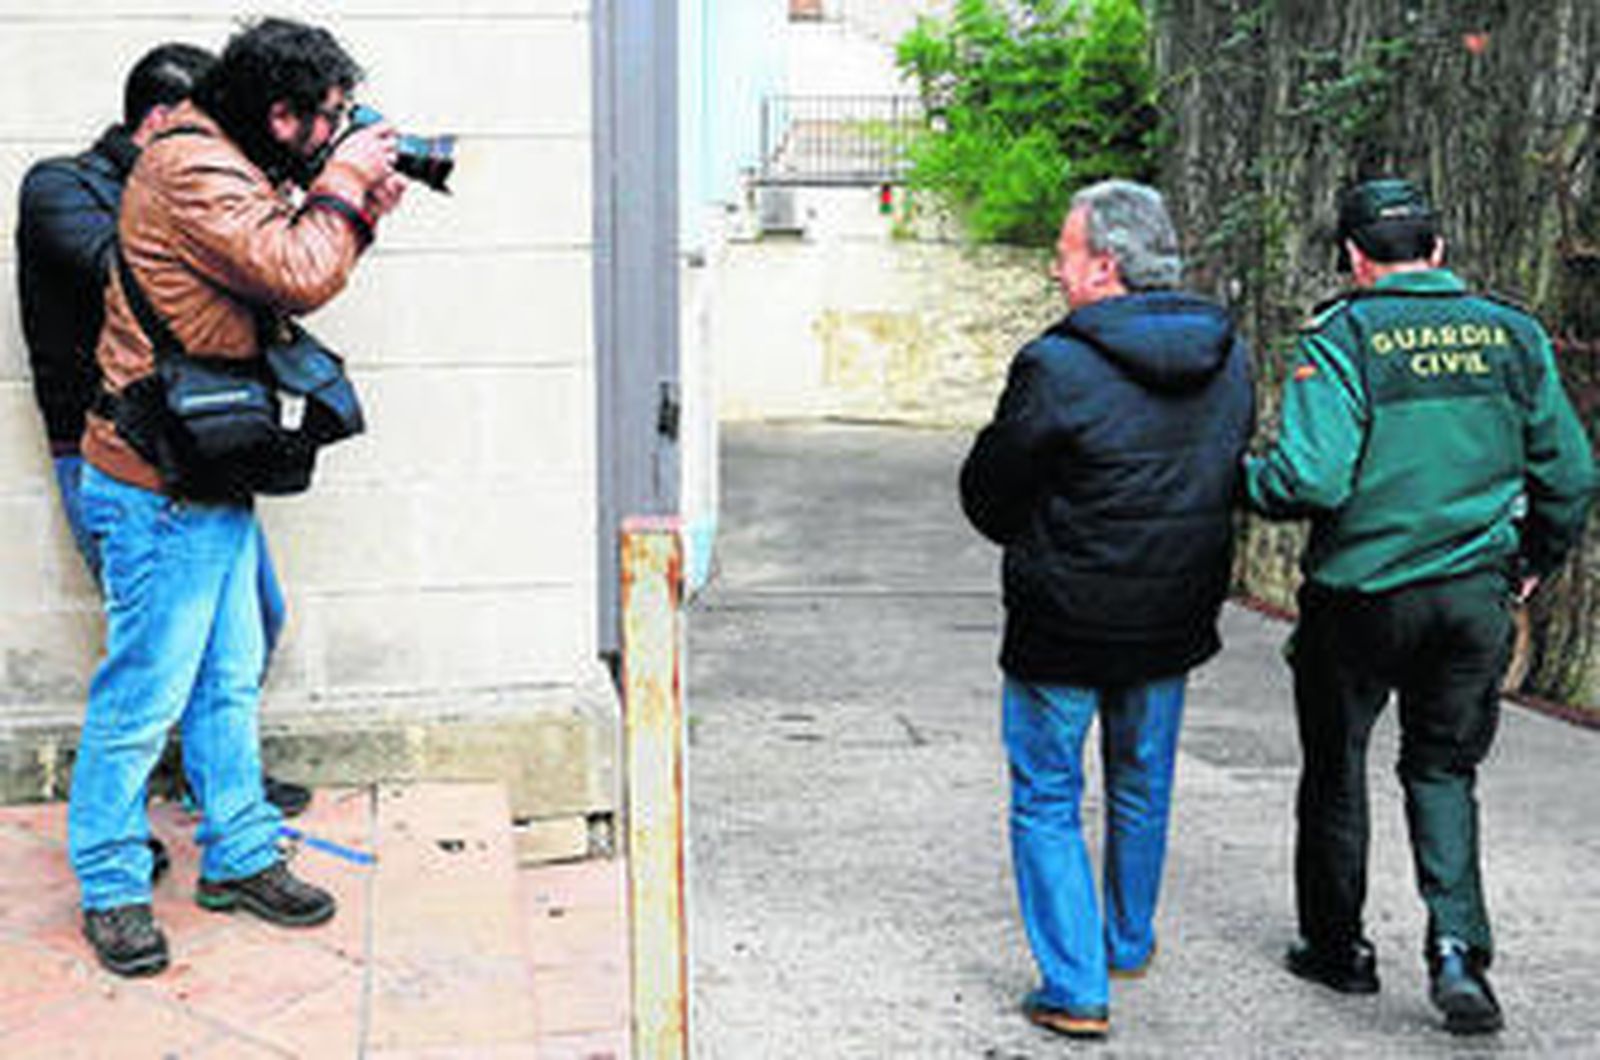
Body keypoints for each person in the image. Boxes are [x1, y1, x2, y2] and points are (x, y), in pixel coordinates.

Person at [67, 17, 406, 978]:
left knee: (225, 678)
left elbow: (294, 267)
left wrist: (357, 206)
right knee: (142, 695)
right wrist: (342, 190)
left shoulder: (227, 157)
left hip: (206, 467)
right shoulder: (195, 168)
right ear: (279, 114)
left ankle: (242, 855)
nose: (338, 134)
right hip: (156, 481)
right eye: (328, 121)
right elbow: (296, 269)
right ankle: (109, 882)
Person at [1244, 178, 1595, 1035]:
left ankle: (1340, 950)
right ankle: (1456, 956)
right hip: (1474, 597)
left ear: (1356, 259)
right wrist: (1531, 564)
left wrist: (1240, 480)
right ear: (1438, 252)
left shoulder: (1344, 337)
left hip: (1362, 599)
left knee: (1337, 766)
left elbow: (1311, 478)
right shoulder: (1511, 335)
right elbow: (1573, 474)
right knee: (1443, 770)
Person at [960, 180, 1253, 1039]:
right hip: (1172, 610)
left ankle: (1076, 984)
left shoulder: (1056, 364)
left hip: (1064, 618)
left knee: (1048, 794)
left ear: (1107, 265)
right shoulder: (1228, 353)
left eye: (1064, 251)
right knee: (1142, 779)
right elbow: (1225, 465)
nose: (1056, 268)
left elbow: (990, 492)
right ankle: (1126, 937)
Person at [15, 43, 312, 828]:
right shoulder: (60, 187)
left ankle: (216, 790)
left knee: (248, 629)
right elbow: (134, 270)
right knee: (149, 660)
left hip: (201, 450)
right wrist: (240, 224)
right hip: (108, 455)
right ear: (163, 121)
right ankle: (118, 844)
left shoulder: (203, 190)